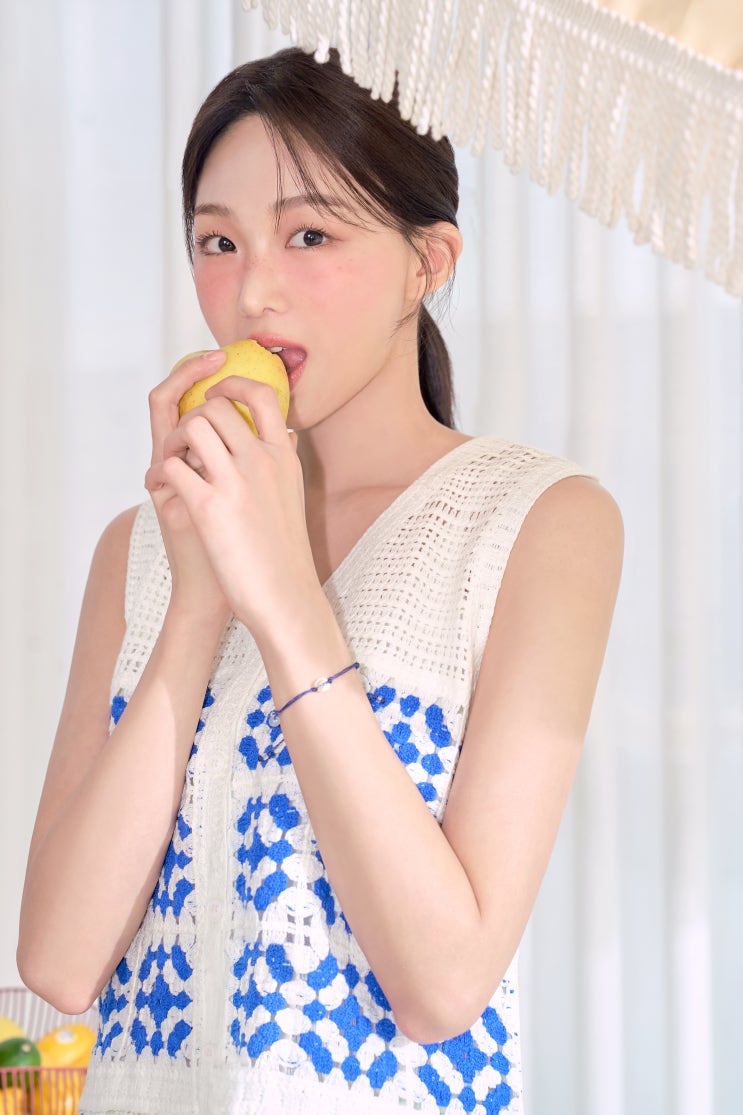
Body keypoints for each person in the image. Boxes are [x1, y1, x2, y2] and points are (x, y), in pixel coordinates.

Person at [17, 46, 623, 1115]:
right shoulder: (138, 550)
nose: (254, 290)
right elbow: (60, 963)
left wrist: (283, 596)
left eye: (309, 235)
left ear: (427, 261)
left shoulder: (538, 522)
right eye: (219, 241)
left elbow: (442, 983)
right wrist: (199, 594)